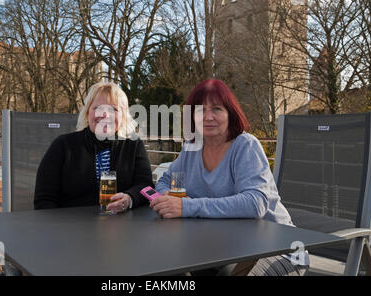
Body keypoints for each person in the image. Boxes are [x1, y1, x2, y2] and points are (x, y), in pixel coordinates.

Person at [150, 79, 309, 276]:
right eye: (200, 110)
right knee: (163, 265)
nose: (208, 117)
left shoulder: (245, 146)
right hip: (222, 247)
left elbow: (255, 203)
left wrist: (187, 207)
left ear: (230, 113)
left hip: (278, 248)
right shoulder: (192, 148)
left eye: (216, 109)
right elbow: (164, 180)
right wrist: (169, 198)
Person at [34, 81, 153, 213]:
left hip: (121, 228)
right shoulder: (63, 145)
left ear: (123, 116)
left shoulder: (134, 145)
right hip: (72, 228)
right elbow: (44, 199)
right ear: (87, 112)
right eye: (98, 108)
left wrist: (130, 198)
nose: (105, 115)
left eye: (114, 109)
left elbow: (146, 186)